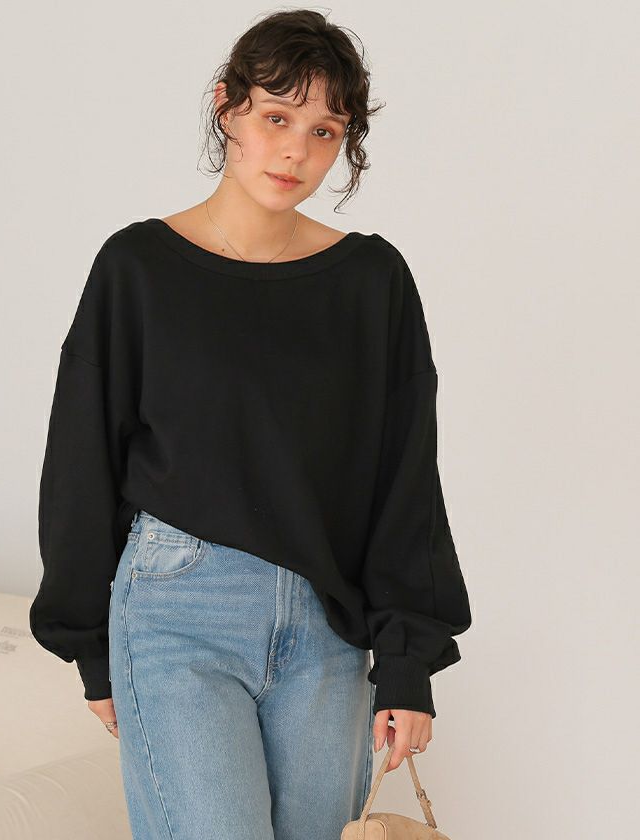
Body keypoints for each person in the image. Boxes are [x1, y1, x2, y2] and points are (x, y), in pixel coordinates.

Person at [29, 9, 472, 840]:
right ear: (227, 107)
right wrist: (90, 642)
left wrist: (407, 661)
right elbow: (82, 456)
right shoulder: (138, 268)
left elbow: (406, 477)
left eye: (324, 131)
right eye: (276, 117)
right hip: (177, 611)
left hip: (328, 628)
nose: (295, 151)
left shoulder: (371, 282)